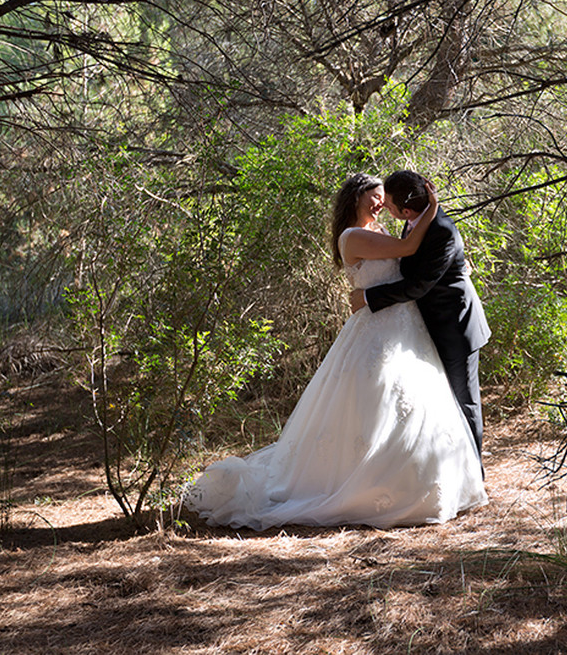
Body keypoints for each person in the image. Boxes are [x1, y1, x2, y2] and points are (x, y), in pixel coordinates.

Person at [184, 173, 487, 529]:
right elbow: (408, 253)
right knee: (376, 405)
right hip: (382, 328)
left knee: (436, 403)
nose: (380, 204)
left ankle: (447, 474)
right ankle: (375, 482)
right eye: (374, 198)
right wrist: (433, 210)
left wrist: (453, 254)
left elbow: (416, 266)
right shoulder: (354, 236)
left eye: (383, 197)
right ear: (355, 201)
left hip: (414, 327)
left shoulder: (392, 230)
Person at [349, 170, 491, 470]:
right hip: (424, 326)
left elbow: (417, 285)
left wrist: (368, 298)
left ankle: (474, 474)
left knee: (464, 401)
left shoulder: (441, 230)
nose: (384, 207)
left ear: (407, 211)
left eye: (388, 204)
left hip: (454, 326)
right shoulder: (414, 221)